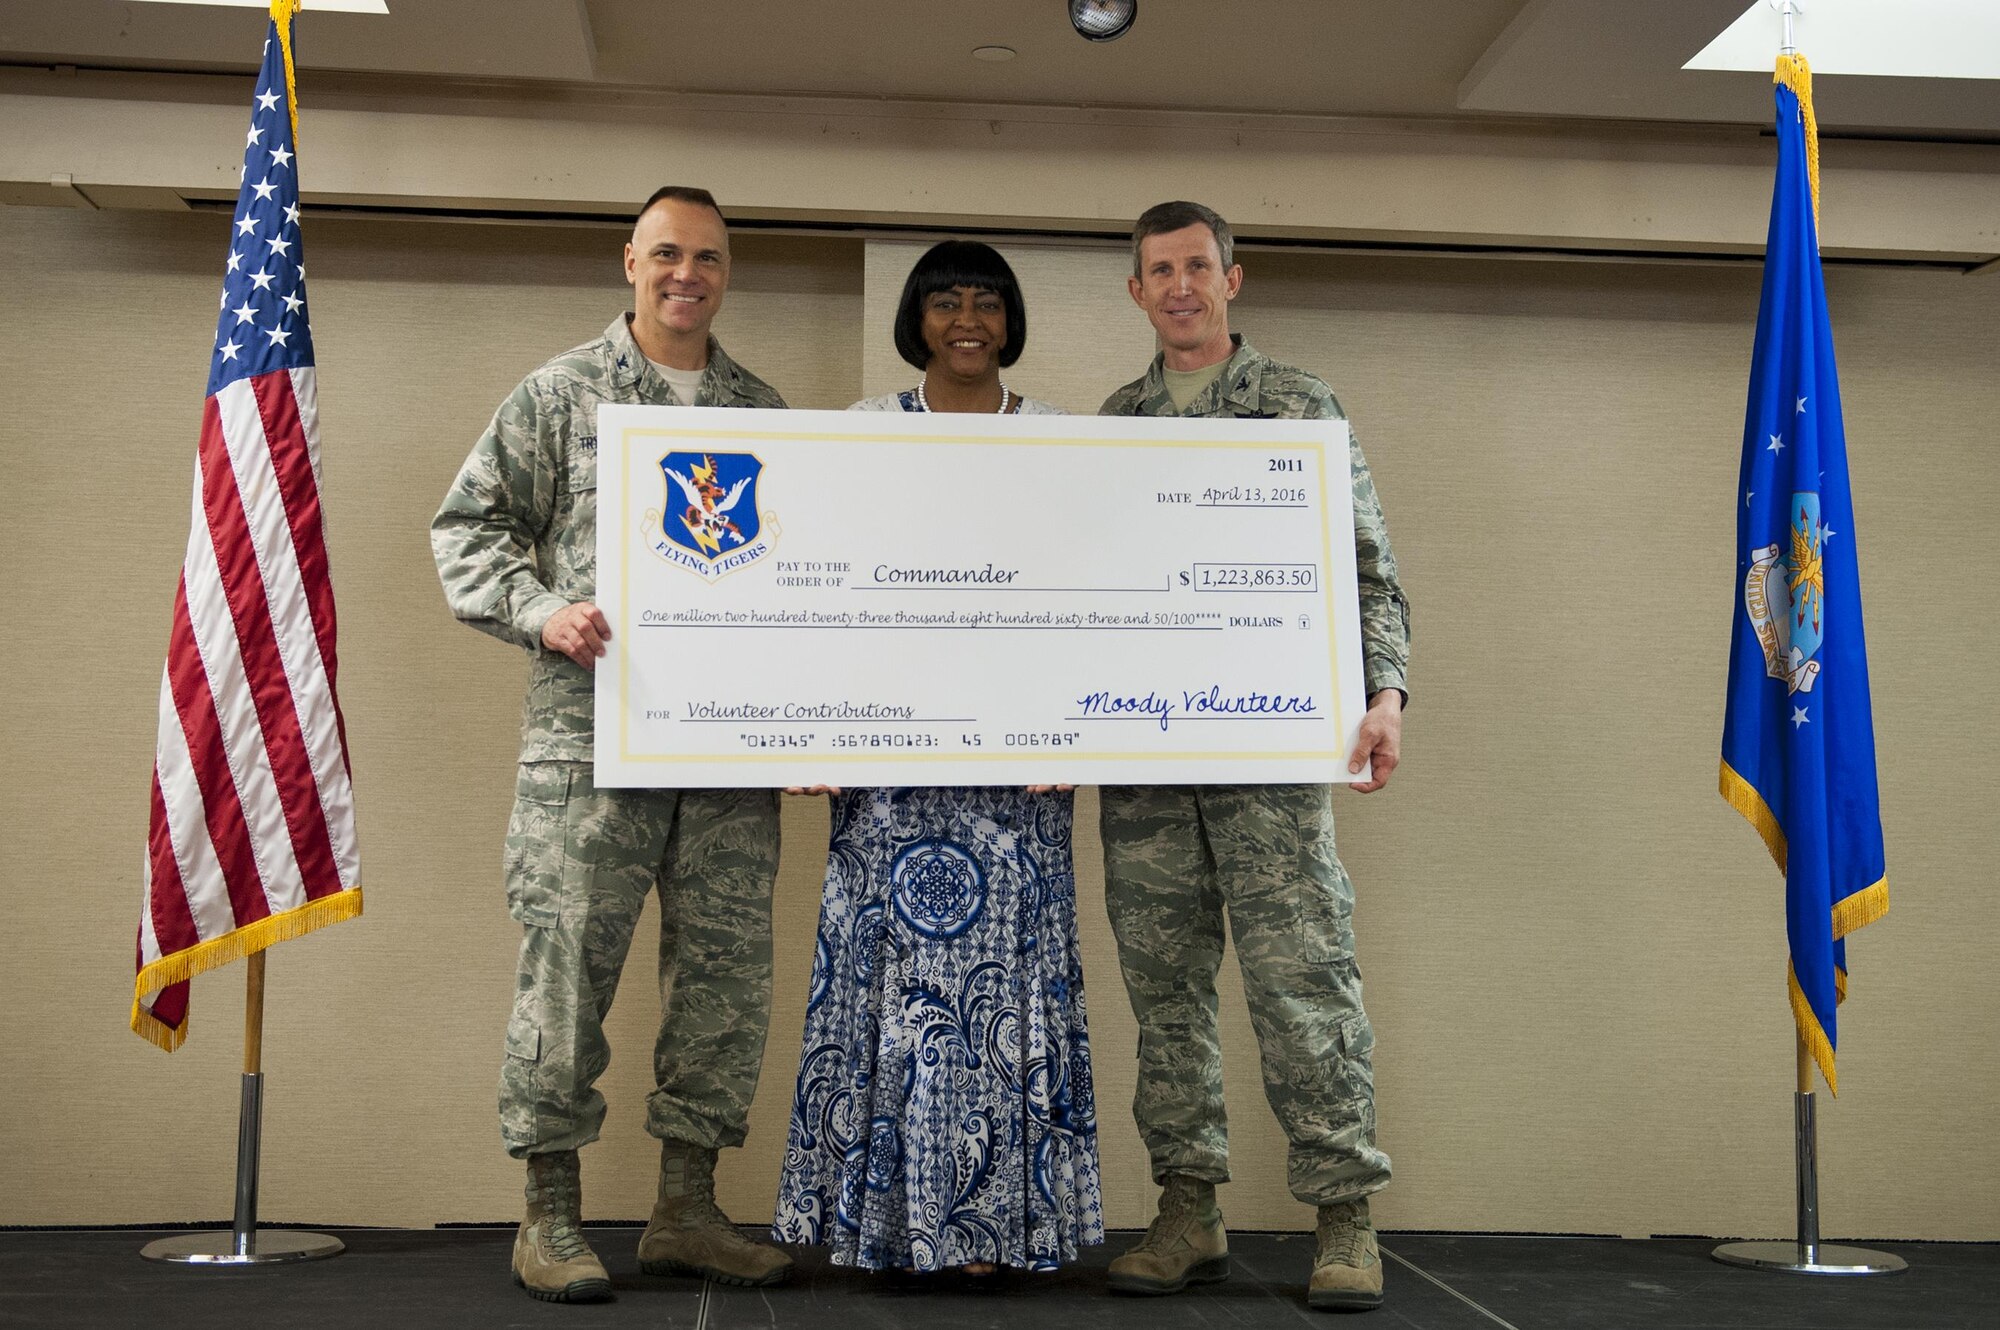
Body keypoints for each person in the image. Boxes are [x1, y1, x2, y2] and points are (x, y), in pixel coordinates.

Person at [432, 186, 794, 1303]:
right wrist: (541, 610)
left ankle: (686, 1207)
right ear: (628, 262)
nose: (688, 275)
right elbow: (467, 529)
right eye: (668, 254)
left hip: (726, 753)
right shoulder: (559, 393)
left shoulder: (762, 412)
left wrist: (812, 713)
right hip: (590, 742)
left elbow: (799, 588)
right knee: (568, 967)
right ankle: (546, 1213)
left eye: (710, 260)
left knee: (724, 982)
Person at [1096, 202, 1410, 1314]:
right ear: (1135, 293)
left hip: (1270, 754)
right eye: (1157, 271)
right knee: (1164, 991)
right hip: (1142, 763)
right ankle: (1187, 1210)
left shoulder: (1300, 407)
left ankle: (1344, 1218)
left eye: (1197, 266)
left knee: (1302, 985)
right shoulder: (1112, 423)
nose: (1179, 286)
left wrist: (1383, 695)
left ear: (1234, 277)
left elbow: (1366, 573)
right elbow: (1074, 595)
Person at [769, 241, 1104, 1275]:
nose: (968, 318)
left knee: (1006, 996)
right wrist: (808, 725)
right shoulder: (865, 433)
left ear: (1010, 321)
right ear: (915, 315)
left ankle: (997, 1233)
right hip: (891, 769)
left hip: (1019, 770)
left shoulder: (1057, 437)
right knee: (893, 989)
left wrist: (1080, 730)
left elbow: (1091, 595)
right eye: (947, 300)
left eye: (988, 301)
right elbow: (816, 585)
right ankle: (882, 1230)